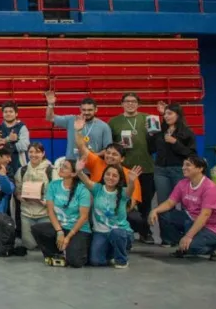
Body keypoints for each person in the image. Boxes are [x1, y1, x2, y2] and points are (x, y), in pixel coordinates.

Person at [149, 155, 216, 260]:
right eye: (183, 165)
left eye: (188, 165)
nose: (183, 168)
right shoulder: (183, 183)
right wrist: (155, 210)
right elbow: (170, 203)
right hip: (191, 219)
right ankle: (185, 242)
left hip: (213, 227)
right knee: (163, 214)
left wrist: (188, 236)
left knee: (191, 248)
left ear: (200, 168)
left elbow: (205, 215)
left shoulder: (210, 188)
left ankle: (214, 247)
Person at [108, 92, 155, 243]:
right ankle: (121, 229)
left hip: (146, 167)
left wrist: (153, 134)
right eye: (127, 101)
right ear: (122, 104)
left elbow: (156, 142)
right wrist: (118, 146)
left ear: (138, 104)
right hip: (123, 170)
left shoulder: (147, 119)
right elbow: (110, 146)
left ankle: (145, 232)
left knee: (145, 203)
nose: (130, 104)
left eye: (133, 101)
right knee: (122, 201)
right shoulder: (114, 122)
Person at [31, 158, 92, 268]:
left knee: (75, 262)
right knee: (37, 229)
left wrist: (68, 237)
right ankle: (55, 253)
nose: (61, 168)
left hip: (78, 229)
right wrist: (59, 231)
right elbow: (50, 211)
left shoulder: (83, 190)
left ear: (73, 173)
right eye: (62, 165)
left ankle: (77, 249)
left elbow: (84, 217)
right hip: (61, 226)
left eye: (65, 167)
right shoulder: (53, 185)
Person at [80, 165, 139, 268]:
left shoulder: (123, 192)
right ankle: (112, 253)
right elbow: (86, 180)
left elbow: (130, 189)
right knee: (96, 261)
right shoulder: (97, 189)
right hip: (100, 233)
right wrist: (78, 170)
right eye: (108, 174)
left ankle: (122, 260)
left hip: (121, 232)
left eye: (115, 176)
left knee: (116, 233)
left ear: (119, 179)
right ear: (103, 176)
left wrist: (131, 181)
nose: (110, 177)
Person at [148, 101, 197, 213]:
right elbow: (151, 149)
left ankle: (187, 224)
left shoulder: (187, 132)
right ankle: (166, 225)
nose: (166, 116)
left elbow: (191, 154)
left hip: (180, 170)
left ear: (178, 115)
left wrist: (175, 143)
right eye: (165, 114)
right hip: (160, 171)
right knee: (163, 204)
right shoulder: (160, 131)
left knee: (186, 203)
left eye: (169, 113)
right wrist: (150, 134)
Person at [45, 92, 112, 160]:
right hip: (72, 162)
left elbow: (108, 149)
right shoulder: (71, 120)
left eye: (90, 110)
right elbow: (50, 118)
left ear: (96, 109)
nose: (86, 112)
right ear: (80, 109)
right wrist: (50, 105)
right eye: (84, 110)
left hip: (92, 162)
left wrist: (92, 156)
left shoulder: (104, 126)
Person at [13, 142, 54, 251]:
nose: (34, 155)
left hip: (45, 214)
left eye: (37, 152)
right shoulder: (22, 171)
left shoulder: (51, 171)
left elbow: (58, 193)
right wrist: (20, 197)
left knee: (45, 247)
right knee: (29, 246)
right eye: (31, 152)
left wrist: (47, 202)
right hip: (26, 214)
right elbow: (17, 191)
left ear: (43, 153)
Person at [0, 101, 29, 176]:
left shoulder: (22, 127)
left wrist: (4, 144)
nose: (8, 114)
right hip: (1, 166)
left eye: (11, 111)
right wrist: (9, 139)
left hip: (19, 166)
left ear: (16, 113)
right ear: (2, 114)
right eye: (5, 112)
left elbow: (24, 146)